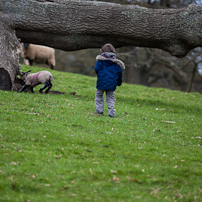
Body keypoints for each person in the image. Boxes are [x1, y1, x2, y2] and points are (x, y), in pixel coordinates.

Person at [94, 43, 125, 117]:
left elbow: (96, 69)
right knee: (110, 98)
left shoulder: (100, 61)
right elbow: (119, 74)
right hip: (112, 84)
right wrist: (119, 82)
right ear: (113, 52)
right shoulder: (116, 63)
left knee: (99, 96)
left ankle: (99, 110)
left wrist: (100, 76)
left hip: (101, 82)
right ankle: (111, 113)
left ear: (102, 51)